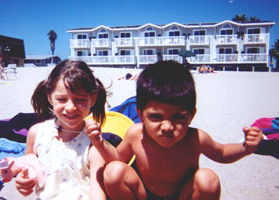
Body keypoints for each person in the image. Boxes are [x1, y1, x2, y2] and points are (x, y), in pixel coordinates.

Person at [103, 60, 263, 200]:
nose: (167, 126)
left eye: (178, 117)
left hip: (182, 195)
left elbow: (221, 153)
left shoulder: (196, 138)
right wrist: (99, 142)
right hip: (144, 194)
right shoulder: (136, 134)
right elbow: (117, 159)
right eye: (156, 117)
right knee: (113, 171)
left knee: (208, 179)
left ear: (191, 115)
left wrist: (245, 148)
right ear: (140, 114)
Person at [14, 60, 116, 200]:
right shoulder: (37, 133)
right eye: (62, 99)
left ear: (92, 99)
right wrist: (23, 180)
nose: (70, 107)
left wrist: (99, 143)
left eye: (80, 100)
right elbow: (28, 166)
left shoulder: (91, 142)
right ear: (49, 97)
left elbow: (97, 189)